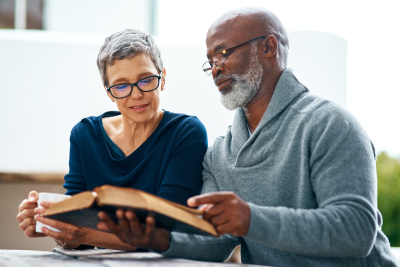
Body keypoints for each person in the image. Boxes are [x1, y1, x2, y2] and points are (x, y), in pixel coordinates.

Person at [97, 7, 398, 266]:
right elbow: (218, 241)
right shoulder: (219, 153)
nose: (215, 69)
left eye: (224, 53)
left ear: (268, 47)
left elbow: (356, 231)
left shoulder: (330, 123)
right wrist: (160, 239)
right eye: (210, 60)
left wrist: (251, 219)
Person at [16, 29, 207, 251]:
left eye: (146, 80)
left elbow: (165, 233)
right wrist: (50, 225)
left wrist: (82, 233)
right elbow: (75, 233)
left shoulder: (185, 133)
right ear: (109, 93)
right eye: (121, 86)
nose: (136, 95)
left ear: (163, 78)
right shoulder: (84, 134)